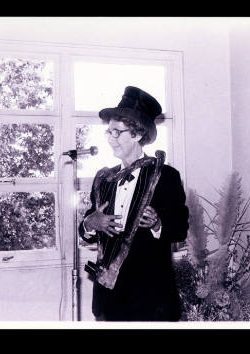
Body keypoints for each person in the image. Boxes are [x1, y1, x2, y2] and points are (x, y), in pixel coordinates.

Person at [79, 86, 189, 321]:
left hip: (151, 300)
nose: (110, 139)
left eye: (117, 132)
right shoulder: (104, 179)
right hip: (109, 301)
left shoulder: (165, 176)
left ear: (137, 134)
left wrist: (158, 223)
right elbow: (86, 231)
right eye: (108, 132)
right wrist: (90, 222)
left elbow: (180, 228)